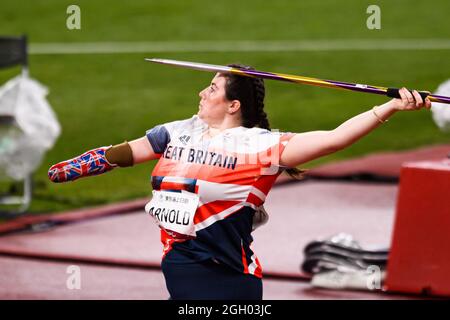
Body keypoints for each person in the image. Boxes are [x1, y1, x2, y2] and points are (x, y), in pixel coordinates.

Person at [48, 64, 432, 300]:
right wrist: (78, 166)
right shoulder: (178, 132)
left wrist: (390, 106)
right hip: (179, 265)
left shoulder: (263, 147)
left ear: (234, 105)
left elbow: (334, 138)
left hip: (224, 279)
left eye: (212, 88)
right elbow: (121, 154)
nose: (201, 92)